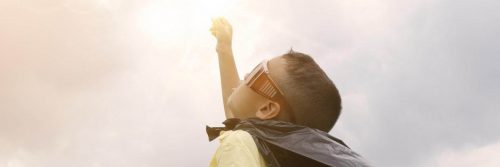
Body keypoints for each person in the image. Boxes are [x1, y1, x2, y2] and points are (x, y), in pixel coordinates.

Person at [207, 17, 369, 167]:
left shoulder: (239, 143)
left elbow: (240, 127)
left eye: (258, 72)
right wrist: (224, 49)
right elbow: (238, 117)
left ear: (267, 108)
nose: (247, 74)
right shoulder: (273, 153)